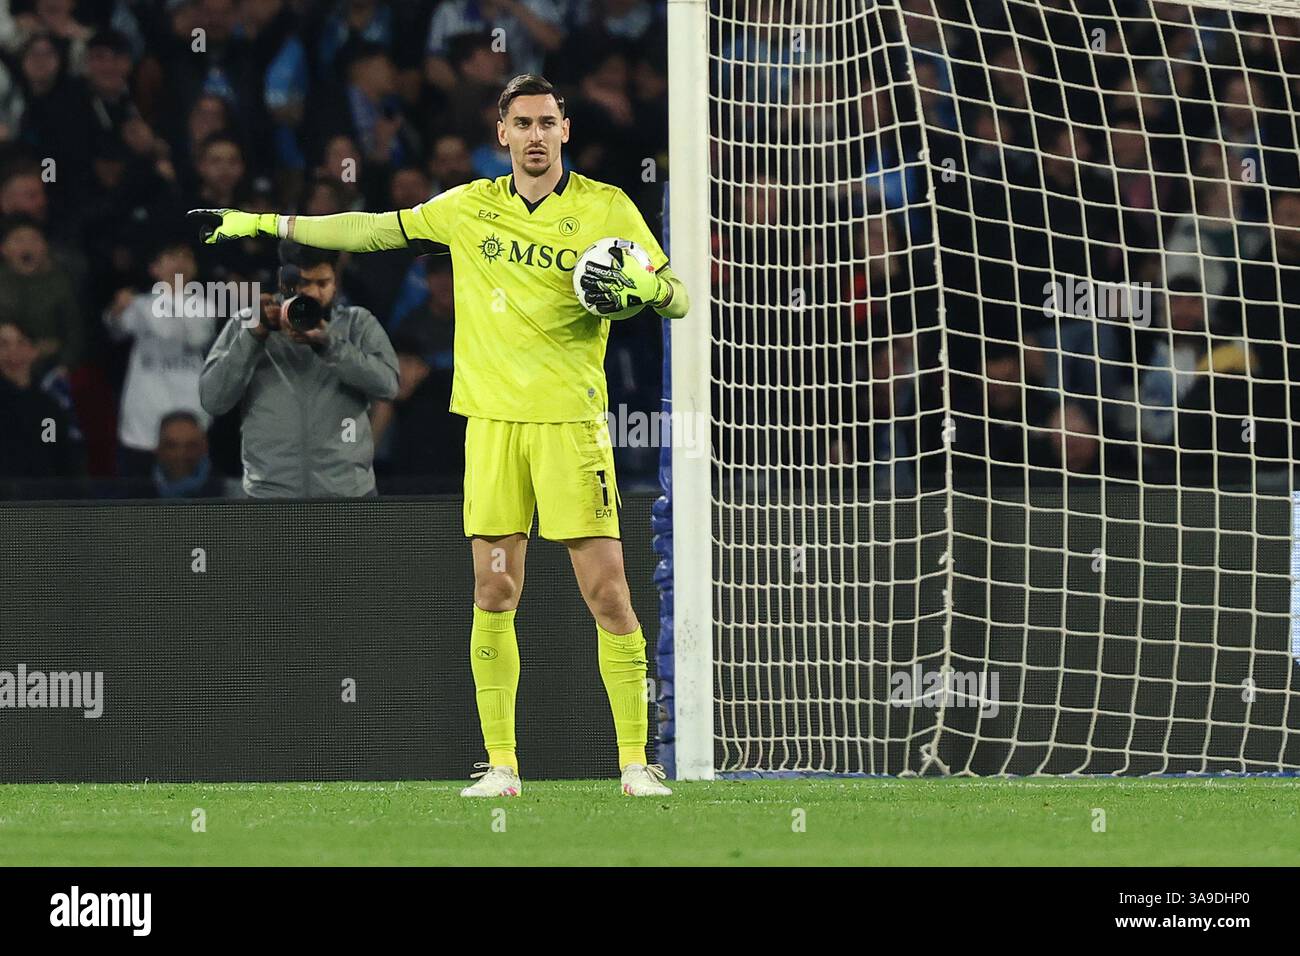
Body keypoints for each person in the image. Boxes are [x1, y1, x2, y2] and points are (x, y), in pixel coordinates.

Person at [188, 73, 690, 797]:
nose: (537, 136)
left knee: (609, 594)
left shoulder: (607, 208)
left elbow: (677, 296)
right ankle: (504, 767)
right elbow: (374, 228)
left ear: (566, 130)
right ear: (503, 135)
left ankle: (637, 764)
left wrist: (647, 290)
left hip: (571, 428)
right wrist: (269, 224)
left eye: (548, 123)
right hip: (489, 428)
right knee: (494, 595)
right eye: (523, 124)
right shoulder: (469, 207)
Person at [197, 241, 398, 497]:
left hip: (348, 495)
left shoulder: (358, 325)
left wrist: (331, 346)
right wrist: (254, 336)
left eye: (322, 283)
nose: (313, 293)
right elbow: (213, 400)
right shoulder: (249, 322)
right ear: (284, 281)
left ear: (335, 282)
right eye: (303, 283)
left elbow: (389, 387)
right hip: (270, 496)